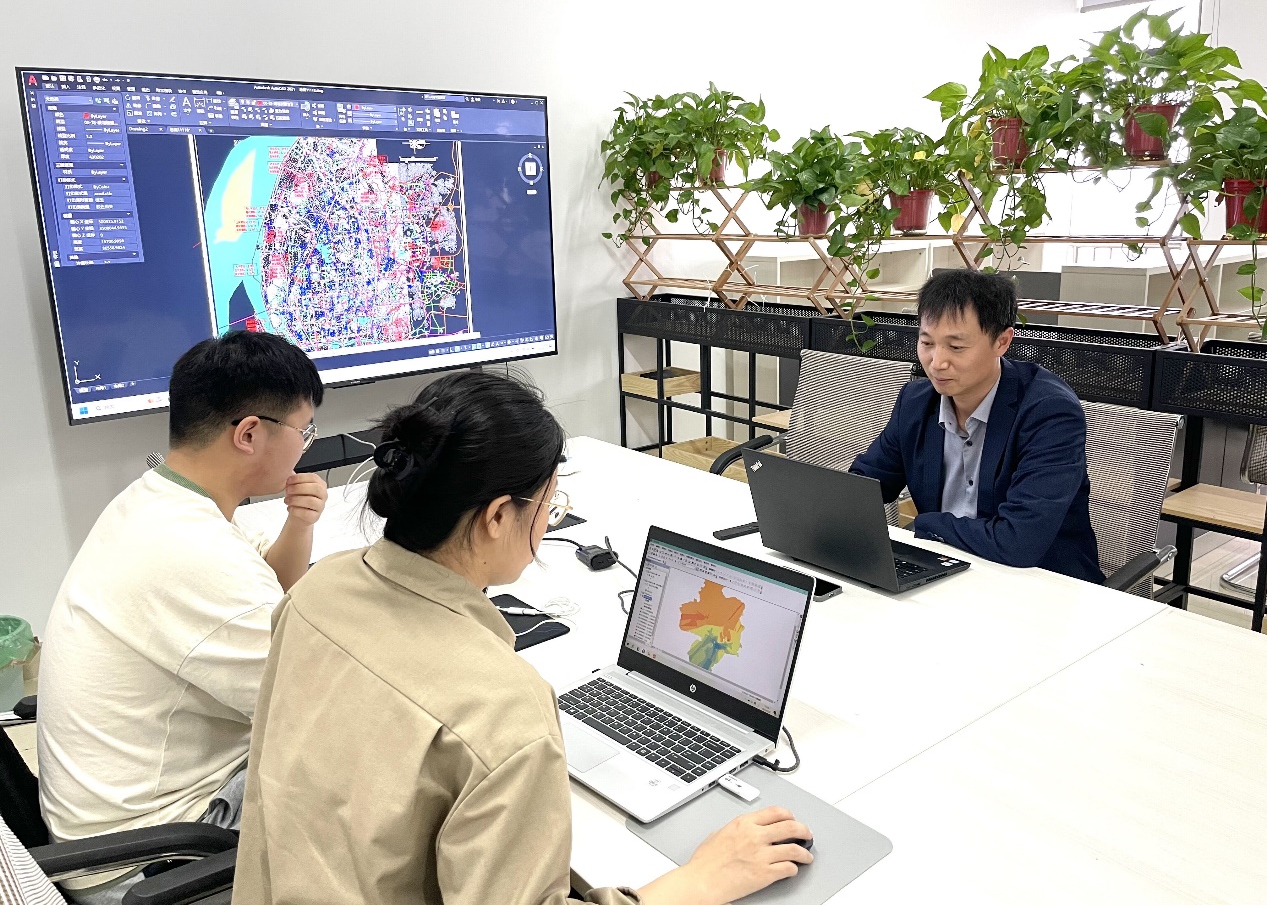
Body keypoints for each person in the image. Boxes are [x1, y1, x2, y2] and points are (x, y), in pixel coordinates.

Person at [233, 371, 813, 905]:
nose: (549, 520)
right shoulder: (504, 709)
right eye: (549, 505)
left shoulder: (316, 590)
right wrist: (699, 881)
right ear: (496, 517)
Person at [37, 331, 329, 899]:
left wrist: (299, 526)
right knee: (374, 766)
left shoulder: (158, 500)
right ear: (249, 434)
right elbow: (311, 705)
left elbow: (265, 591)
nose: (304, 449)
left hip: (102, 826)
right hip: (150, 858)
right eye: (304, 431)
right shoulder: (195, 553)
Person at [851, 270, 1103, 583]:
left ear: (1002, 341)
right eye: (927, 342)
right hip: (947, 569)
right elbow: (865, 486)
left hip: (1040, 585)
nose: (937, 362)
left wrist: (926, 525)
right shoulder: (916, 402)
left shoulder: (1049, 412)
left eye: (956, 347)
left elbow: (1019, 542)